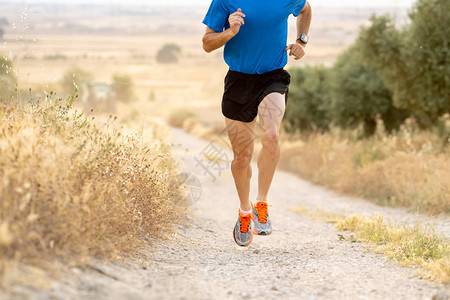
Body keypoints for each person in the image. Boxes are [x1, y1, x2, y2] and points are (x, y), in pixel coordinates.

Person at [202, 0, 312, 247]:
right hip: (238, 82)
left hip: (273, 77)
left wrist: (301, 40)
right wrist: (230, 32)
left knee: (271, 135)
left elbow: (305, 9)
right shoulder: (224, 2)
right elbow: (207, 43)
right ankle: (244, 212)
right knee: (242, 157)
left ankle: (261, 204)